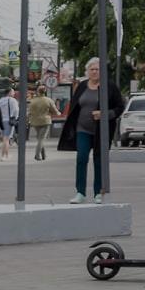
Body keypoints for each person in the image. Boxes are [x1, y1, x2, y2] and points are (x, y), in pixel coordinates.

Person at [56, 57, 124, 204]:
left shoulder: (109, 87)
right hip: (83, 129)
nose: (94, 72)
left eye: (97, 69)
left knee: (99, 160)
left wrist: (104, 114)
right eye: (91, 69)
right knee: (81, 158)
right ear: (87, 71)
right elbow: (75, 106)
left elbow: (120, 107)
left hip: (102, 131)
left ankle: (99, 193)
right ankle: (80, 192)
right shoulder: (82, 86)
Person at [27, 86, 58, 161]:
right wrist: (57, 113)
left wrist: (28, 119)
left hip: (35, 122)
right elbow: (54, 111)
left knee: (40, 138)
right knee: (41, 139)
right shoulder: (48, 100)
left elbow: (30, 112)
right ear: (45, 92)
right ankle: (37, 155)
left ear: (38, 91)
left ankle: (43, 155)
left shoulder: (33, 101)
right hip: (45, 121)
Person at [0, 89, 20, 160]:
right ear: (9, 93)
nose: (14, 93)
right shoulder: (13, 100)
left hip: (1, 121)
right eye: (13, 92)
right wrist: (15, 117)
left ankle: (7, 155)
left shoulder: (0, 100)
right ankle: (2, 156)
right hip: (9, 121)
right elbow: (16, 110)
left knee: (5, 138)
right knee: (6, 139)